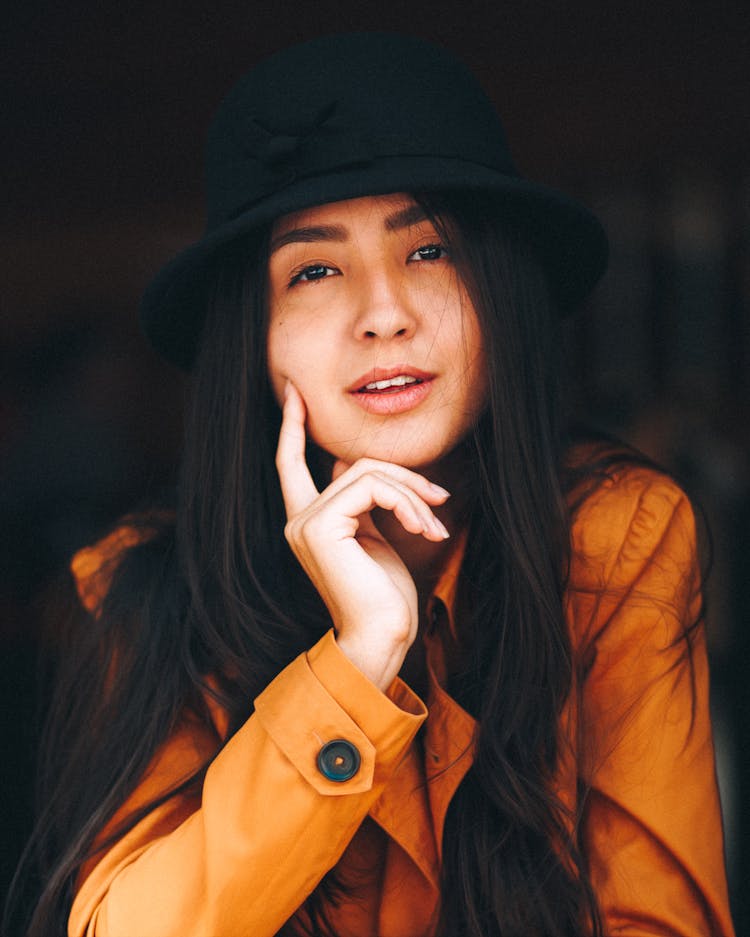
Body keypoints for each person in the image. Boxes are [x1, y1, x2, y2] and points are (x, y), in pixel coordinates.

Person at [8, 32, 734, 937]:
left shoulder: (613, 537)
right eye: (314, 270)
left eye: (429, 250)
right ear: (254, 341)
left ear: (498, 290)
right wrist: (353, 665)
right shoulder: (147, 586)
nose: (383, 314)